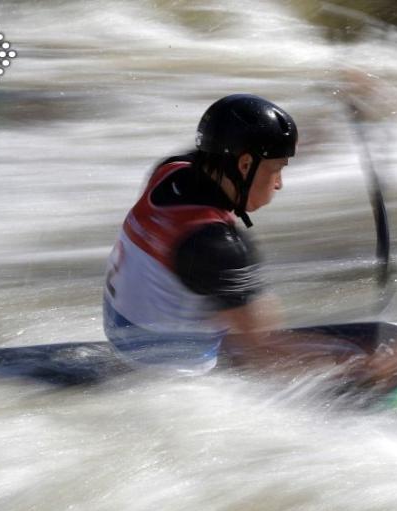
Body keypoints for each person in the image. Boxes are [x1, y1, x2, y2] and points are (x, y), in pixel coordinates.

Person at [102, 94, 297, 372]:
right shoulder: (217, 246)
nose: (279, 184)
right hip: (173, 382)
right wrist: (364, 367)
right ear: (244, 165)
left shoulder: (171, 170)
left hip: (124, 339)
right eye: (277, 171)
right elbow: (266, 353)